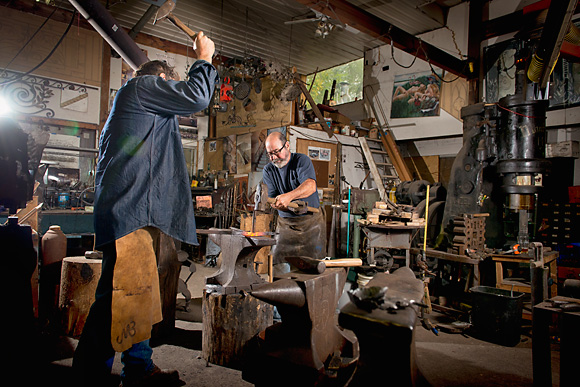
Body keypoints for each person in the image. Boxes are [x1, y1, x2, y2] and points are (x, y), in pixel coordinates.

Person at [73, 31, 218, 386]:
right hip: (130, 214)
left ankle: (139, 368)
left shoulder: (131, 100)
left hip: (131, 213)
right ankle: (89, 373)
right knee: (115, 299)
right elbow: (197, 96)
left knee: (134, 291)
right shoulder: (143, 88)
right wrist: (205, 57)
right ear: (161, 80)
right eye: (168, 85)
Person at [262, 131, 326, 275]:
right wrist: (276, 203)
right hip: (286, 226)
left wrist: (288, 197)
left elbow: (310, 186)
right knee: (276, 263)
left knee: (313, 267)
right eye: (269, 154)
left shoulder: (301, 160)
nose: (273, 158)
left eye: (276, 152)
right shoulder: (268, 170)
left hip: (311, 223)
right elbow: (272, 197)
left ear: (287, 146)